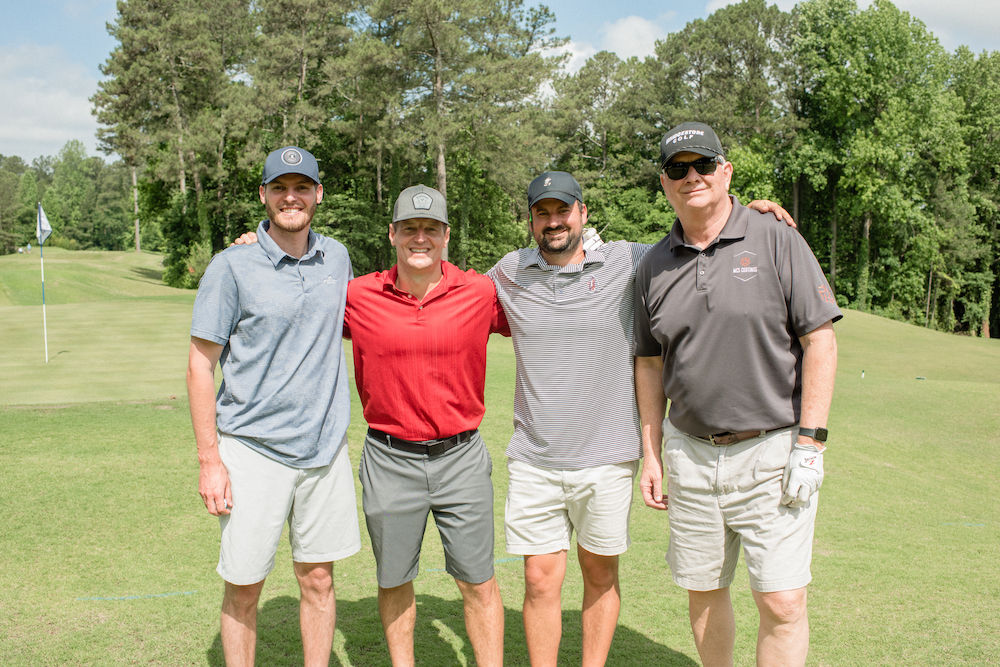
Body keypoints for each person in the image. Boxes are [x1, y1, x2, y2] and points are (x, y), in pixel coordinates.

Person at [490, 171, 796, 666]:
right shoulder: (509, 271)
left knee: (600, 574)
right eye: (542, 213)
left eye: (563, 210)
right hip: (534, 458)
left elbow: (695, 236)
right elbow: (450, 292)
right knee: (539, 579)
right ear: (530, 221)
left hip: (608, 457)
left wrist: (747, 212)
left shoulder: (628, 260)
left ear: (583, 213)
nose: (553, 221)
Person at [633, 122, 840, 667]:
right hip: (690, 455)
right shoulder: (652, 264)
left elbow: (820, 339)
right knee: (704, 592)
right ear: (664, 183)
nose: (692, 177)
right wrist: (652, 454)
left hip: (773, 452)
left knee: (783, 601)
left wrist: (811, 443)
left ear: (725, 172)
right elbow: (649, 363)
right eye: (678, 169)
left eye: (703, 165)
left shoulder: (777, 237)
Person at [187, 146, 361, 667]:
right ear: (263, 195)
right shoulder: (231, 266)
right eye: (280, 188)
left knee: (319, 579)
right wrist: (209, 461)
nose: (291, 197)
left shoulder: (338, 258)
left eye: (301, 187)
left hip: (324, 451)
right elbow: (200, 365)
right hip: (251, 451)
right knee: (244, 587)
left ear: (318, 194)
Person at [343, 185, 509, 667]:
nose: (421, 238)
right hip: (389, 458)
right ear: (392, 234)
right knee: (394, 580)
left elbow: (547, 300)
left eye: (431, 229)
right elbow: (297, 296)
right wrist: (257, 244)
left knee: (478, 581)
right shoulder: (358, 295)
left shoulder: (479, 292)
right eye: (410, 228)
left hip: (461, 457)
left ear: (446, 236)